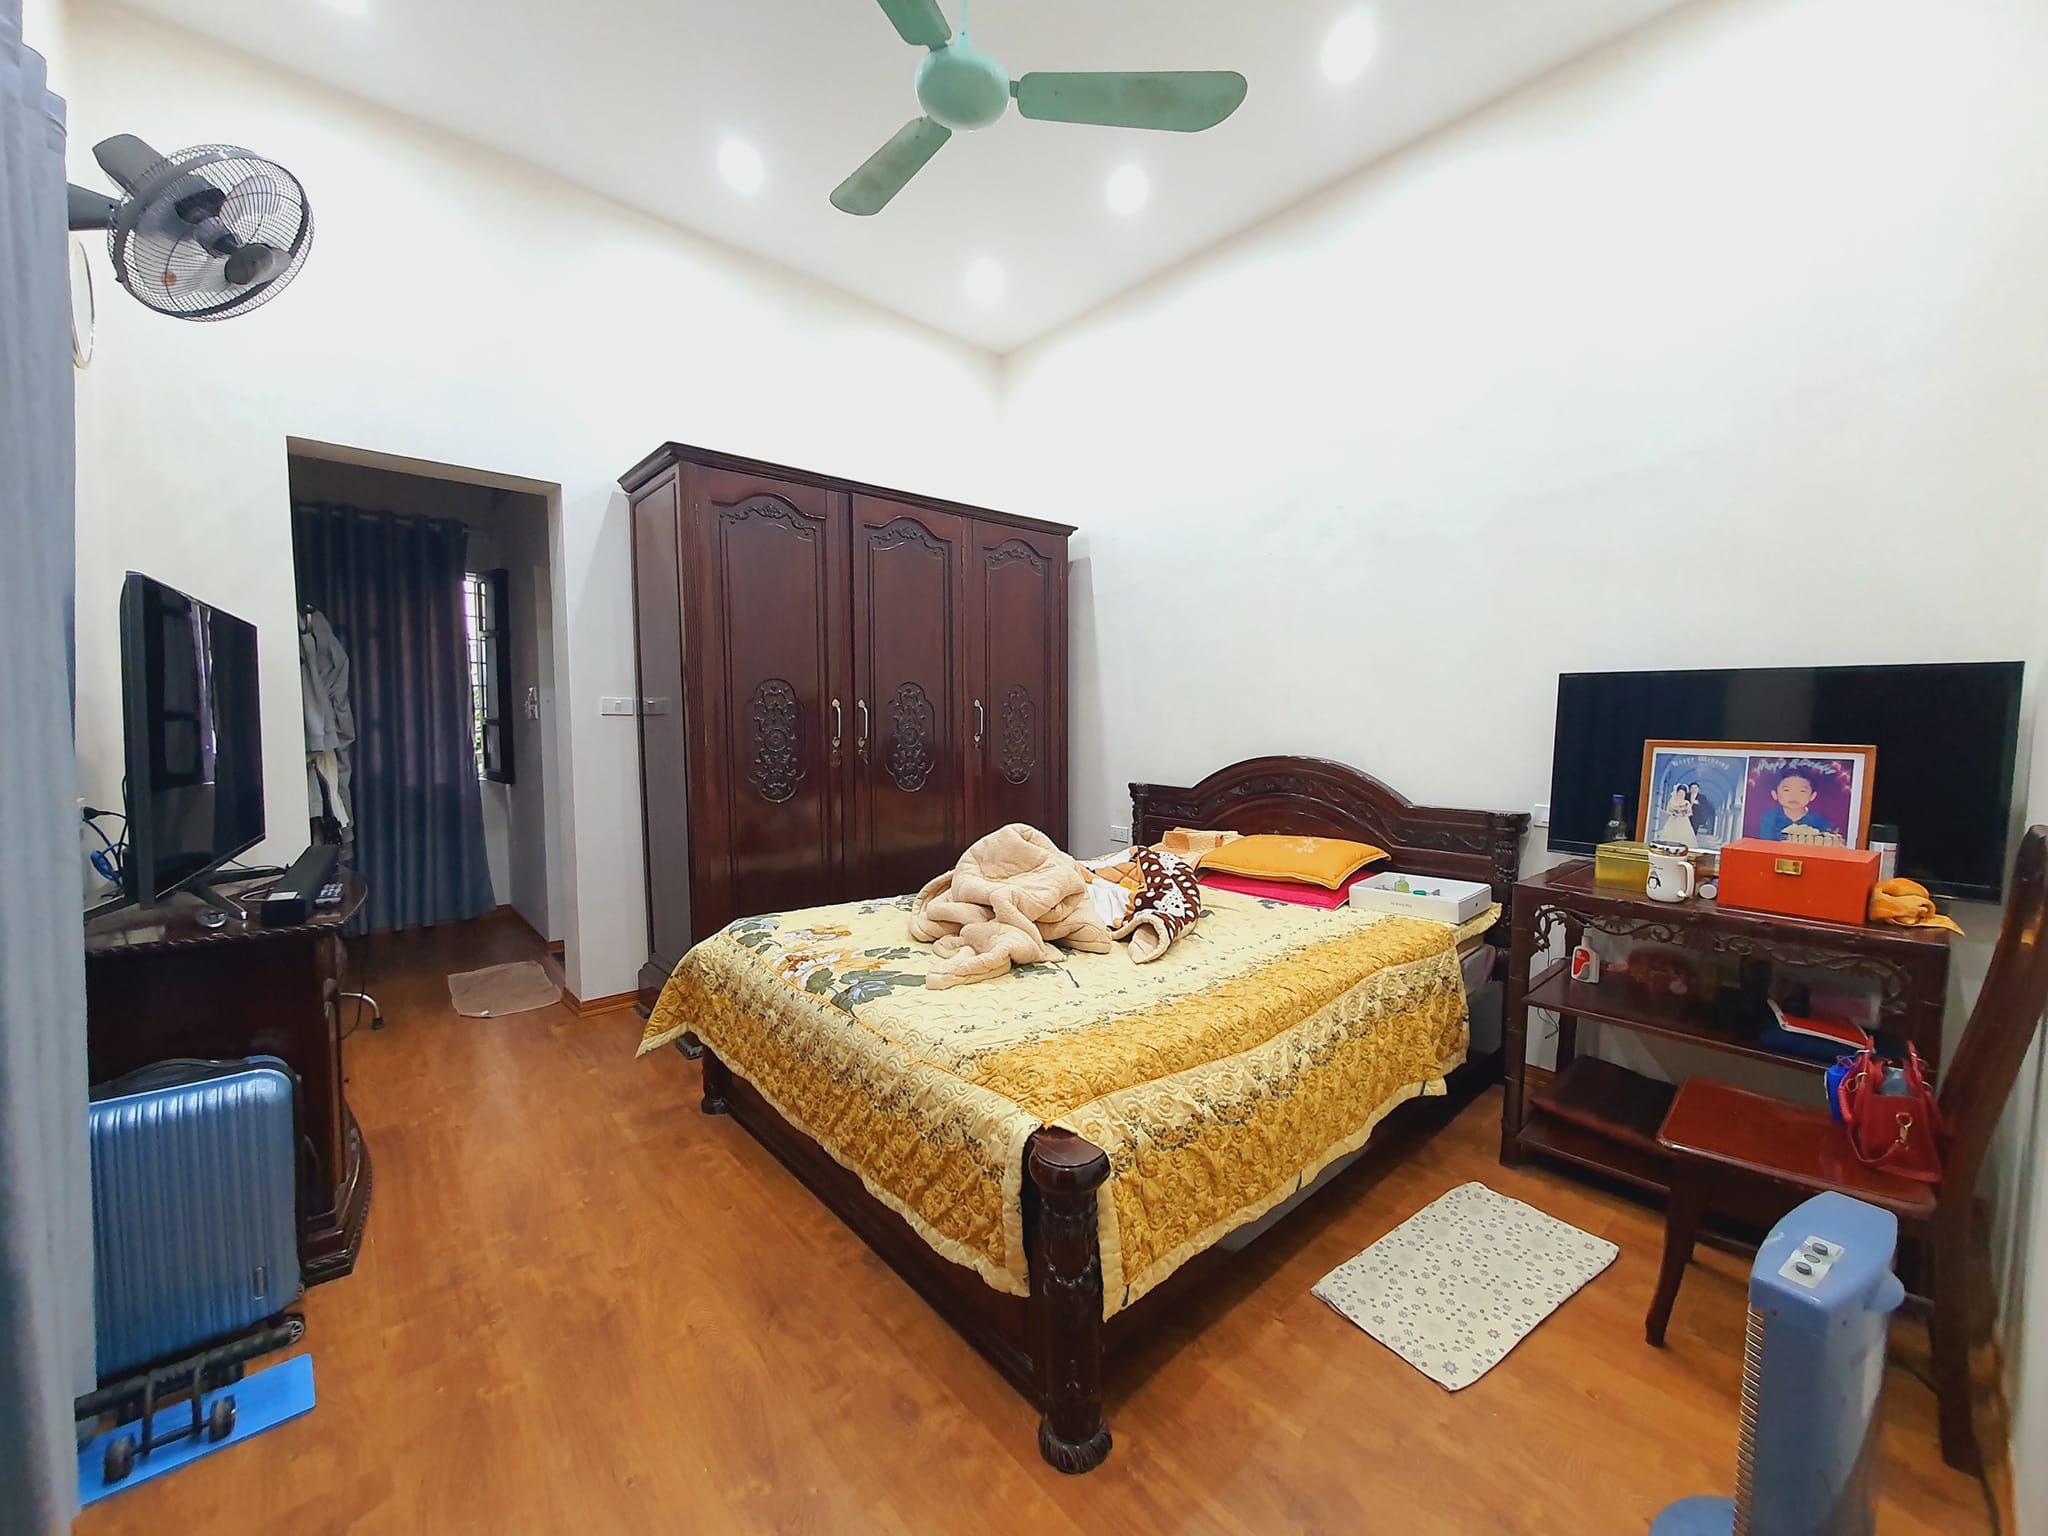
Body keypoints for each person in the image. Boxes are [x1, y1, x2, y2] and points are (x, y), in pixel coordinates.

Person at [1757, 769, 1838, 841]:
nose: (1794, 796)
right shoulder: (1769, 816)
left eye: (1802, 791)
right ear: (1775, 794)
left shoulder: (1821, 821)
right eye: (1786, 790)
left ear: (1812, 796)